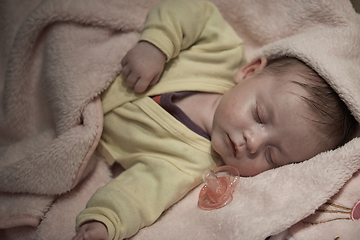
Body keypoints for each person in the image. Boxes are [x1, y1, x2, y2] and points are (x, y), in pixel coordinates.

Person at [72, 0, 357, 240]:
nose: (253, 142)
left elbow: (141, 193)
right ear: (249, 71)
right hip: (89, 59)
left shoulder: (190, 165)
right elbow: (193, 10)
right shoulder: (219, 55)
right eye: (259, 115)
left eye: (272, 156)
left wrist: (105, 221)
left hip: (80, 124)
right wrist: (156, 45)